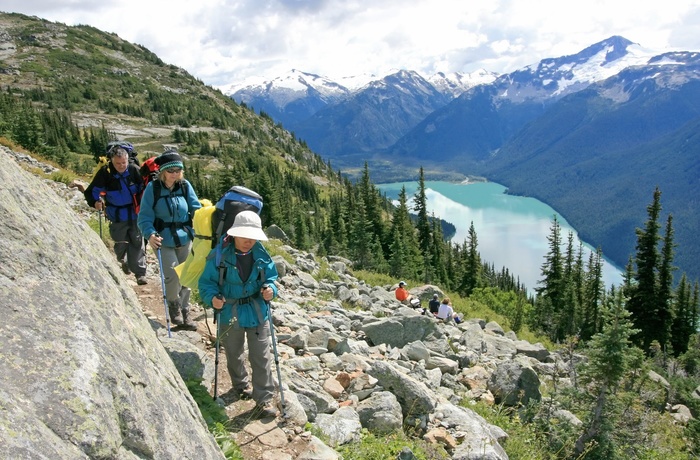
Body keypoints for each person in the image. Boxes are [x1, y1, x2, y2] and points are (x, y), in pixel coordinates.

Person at [198, 211, 280, 419]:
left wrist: (271, 289)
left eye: (252, 237)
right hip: (229, 311)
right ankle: (240, 385)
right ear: (234, 235)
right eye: (244, 236)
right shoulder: (220, 256)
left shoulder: (262, 255)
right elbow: (206, 283)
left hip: (256, 311)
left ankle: (263, 400)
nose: (248, 241)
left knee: (261, 356)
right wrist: (212, 299)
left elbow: (271, 278)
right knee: (233, 353)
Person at [138, 151, 201, 330]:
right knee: (173, 275)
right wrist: (150, 234)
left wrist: (204, 222)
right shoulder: (153, 188)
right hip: (162, 239)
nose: (175, 173)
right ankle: (174, 305)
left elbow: (195, 208)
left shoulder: (185, 186)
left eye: (178, 170)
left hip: (185, 237)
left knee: (187, 276)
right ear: (163, 171)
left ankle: (185, 311)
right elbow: (144, 217)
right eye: (171, 170)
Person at [85, 146, 147, 285]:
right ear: (112, 161)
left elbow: (145, 187)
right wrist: (94, 202)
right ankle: (123, 261)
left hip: (135, 212)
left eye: (124, 163)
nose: (121, 166)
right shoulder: (105, 173)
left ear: (127, 160)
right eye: (118, 163)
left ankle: (140, 273)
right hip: (117, 214)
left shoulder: (134, 170)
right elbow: (91, 191)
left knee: (137, 242)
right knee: (120, 242)